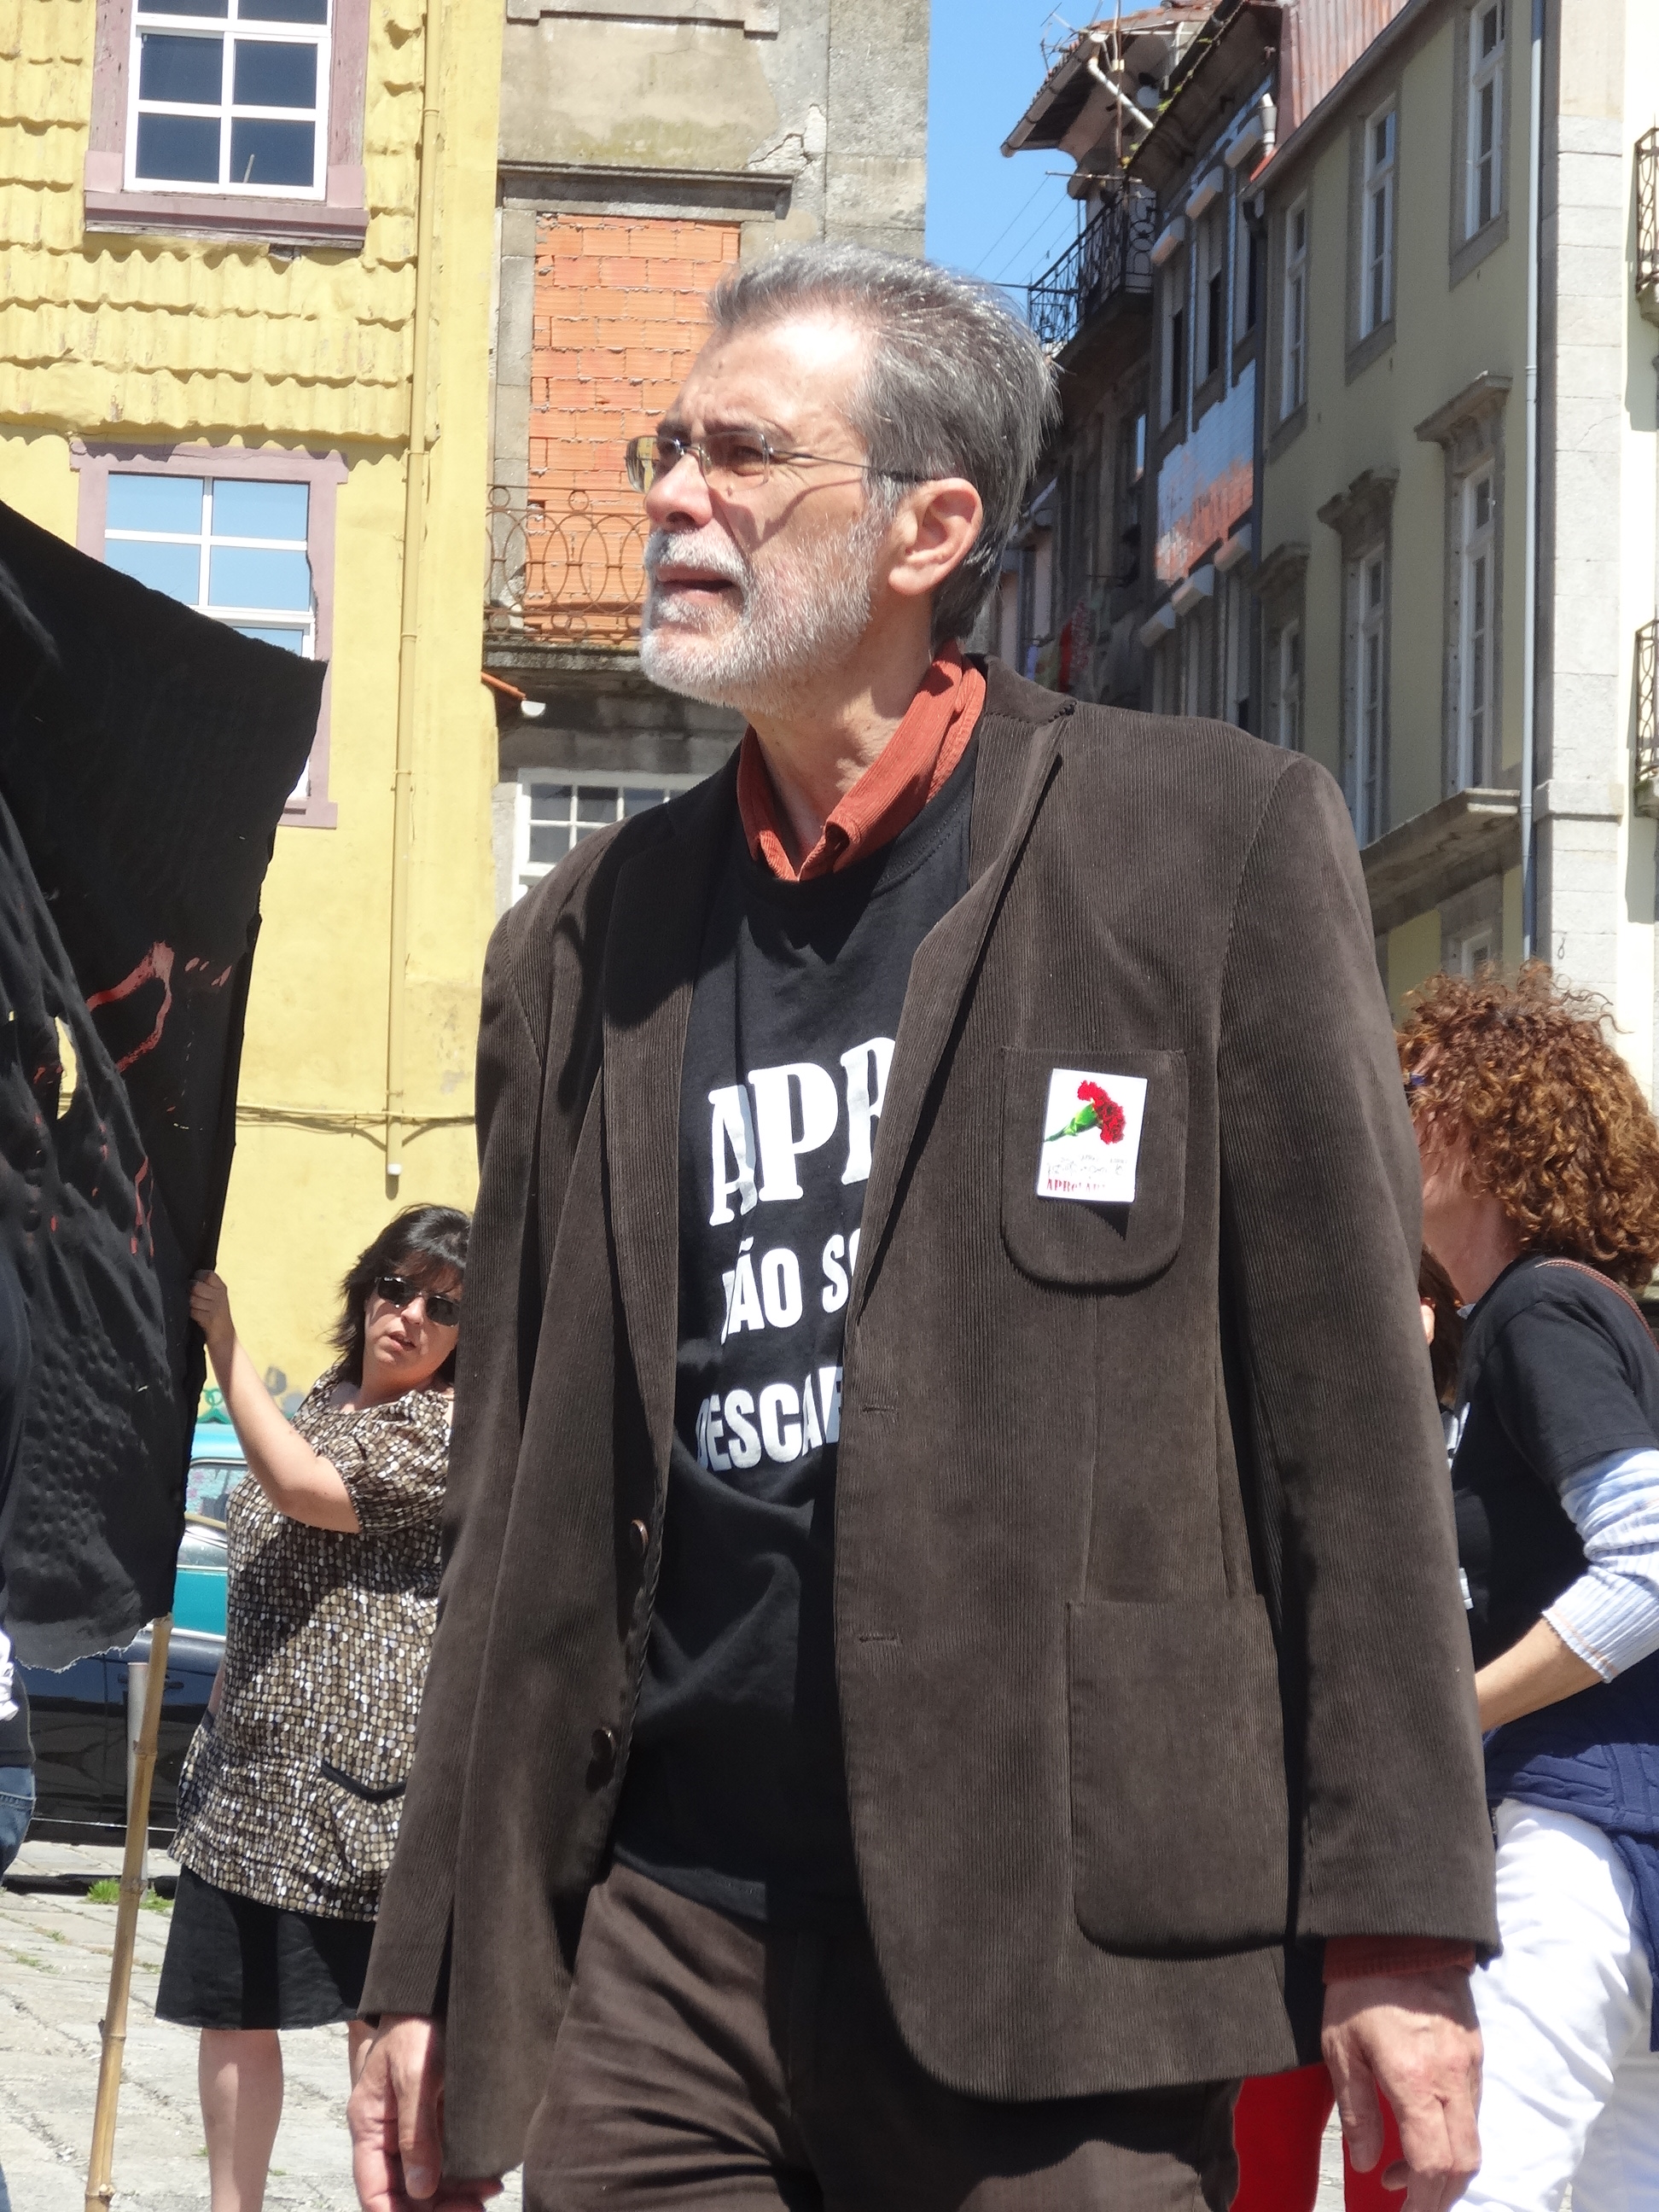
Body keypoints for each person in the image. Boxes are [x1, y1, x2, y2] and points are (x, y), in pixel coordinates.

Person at [350, 245, 1495, 2212]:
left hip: (1064, 1943)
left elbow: (1349, 1436)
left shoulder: (1202, 843)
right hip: (664, 1948)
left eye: (739, 455)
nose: (671, 497)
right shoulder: (582, 942)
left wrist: (1398, 1927)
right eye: (665, 451)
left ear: (927, 528)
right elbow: (520, 1487)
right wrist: (439, 1953)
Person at [1400, 965, 1659, 2210]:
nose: (1388, 1115)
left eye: (1412, 1089)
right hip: (1617, 1829)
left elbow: (1650, 1559)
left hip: (1574, 1835)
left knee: (1483, 2188)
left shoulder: (1537, 1311)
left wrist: (1453, 1715)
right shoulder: (1552, 1315)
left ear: (1488, 1126)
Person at [157, 1205, 469, 2212]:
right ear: (364, 1288)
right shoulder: (325, 1399)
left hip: (363, 1795)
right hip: (249, 1775)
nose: (409, 1315)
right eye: (396, 1287)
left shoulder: (446, 1431)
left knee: (378, 2030)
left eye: (443, 1307)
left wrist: (226, 1343)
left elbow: (297, 1488)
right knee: (232, 2009)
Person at [1228, 1247, 1464, 2212]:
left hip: (1406, 1863)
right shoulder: (1268, 1435)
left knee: (1394, 2168)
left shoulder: (1464, 1445)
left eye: (1418, 1295)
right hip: (1275, 1859)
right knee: (1262, 2163)